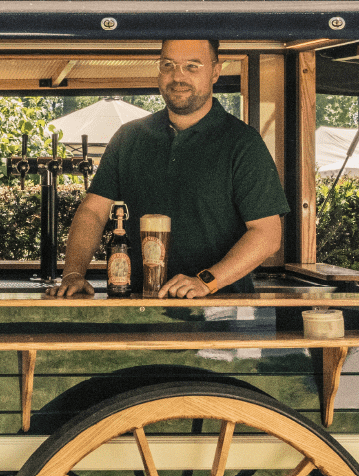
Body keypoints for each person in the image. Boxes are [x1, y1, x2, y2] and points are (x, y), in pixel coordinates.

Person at [45, 38, 287, 299]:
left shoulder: (242, 142)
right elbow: (93, 211)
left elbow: (267, 234)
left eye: (192, 66)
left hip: (221, 315)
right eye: (168, 64)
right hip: (141, 309)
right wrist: (73, 274)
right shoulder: (129, 137)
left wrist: (205, 281)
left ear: (216, 72)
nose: (178, 76)